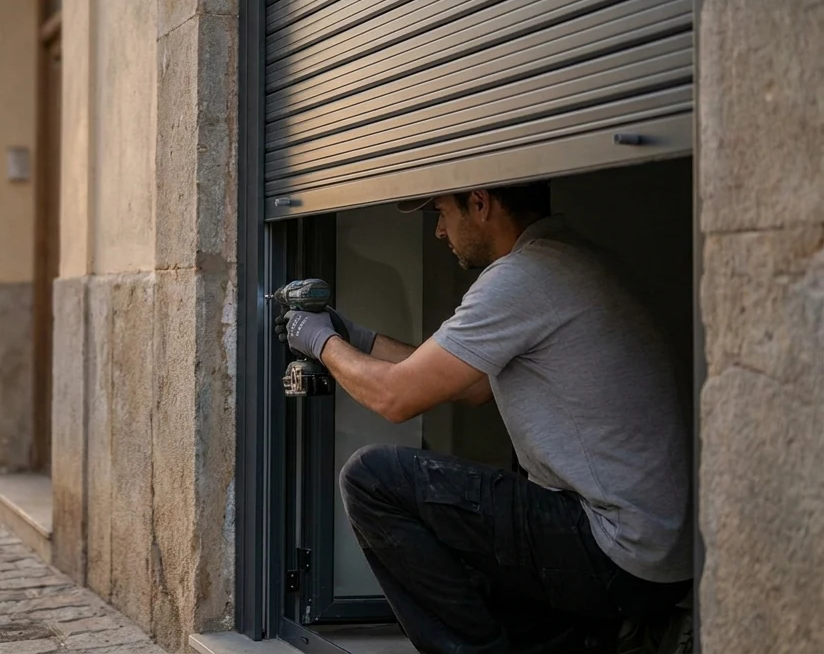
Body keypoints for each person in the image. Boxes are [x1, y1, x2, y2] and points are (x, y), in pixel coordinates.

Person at [278, 182, 693, 654]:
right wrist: (356, 337)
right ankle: (598, 636)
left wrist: (318, 340)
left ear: (480, 203)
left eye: (442, 212)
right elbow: (470, 385)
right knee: (468, 549)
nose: (439, 231)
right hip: (659, 557)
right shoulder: (571, 259)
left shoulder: (523, 277)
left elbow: (395, 398)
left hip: (617, 551)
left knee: (372, 479)